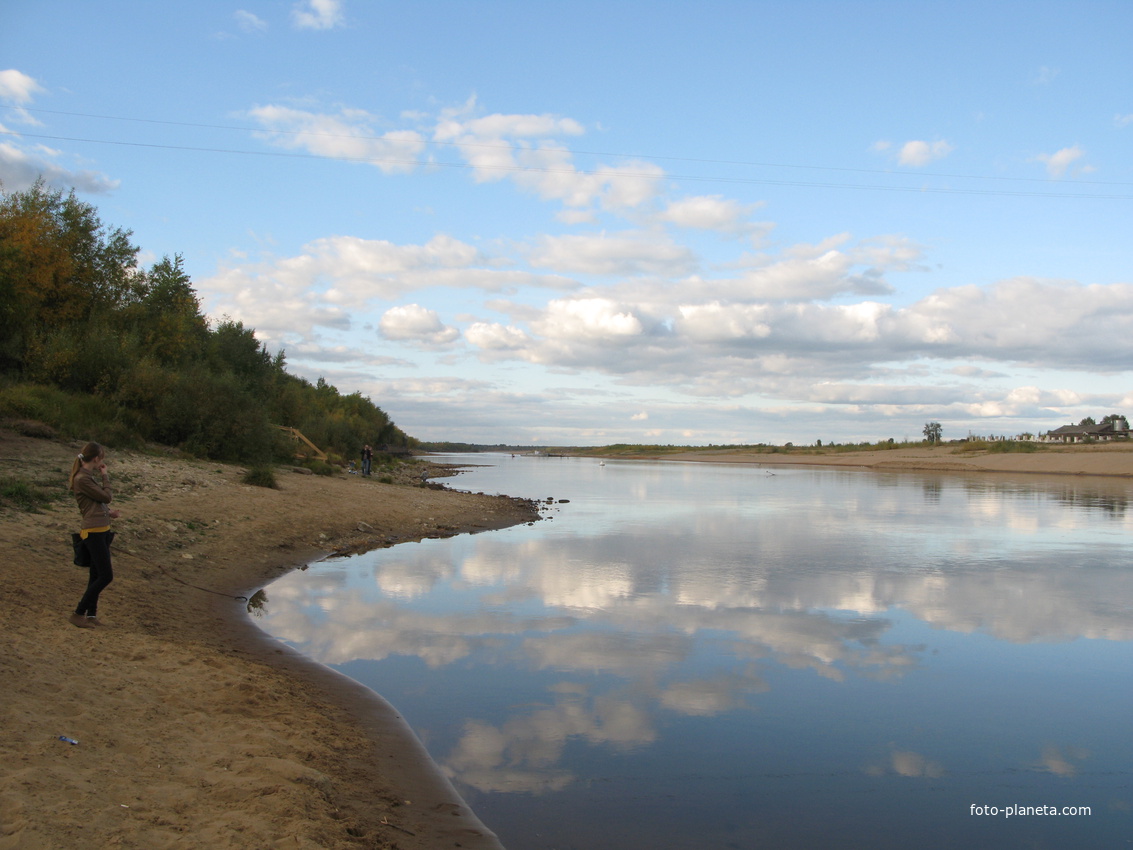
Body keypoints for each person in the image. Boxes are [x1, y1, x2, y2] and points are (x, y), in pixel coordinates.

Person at [69, 442, 121, 629]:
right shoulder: (83, 479)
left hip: (100, 529)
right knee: (106, 576)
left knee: (96, 574)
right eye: (102, 457)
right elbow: (106, 496)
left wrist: (109, 513)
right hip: (93, 532)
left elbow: (96, 503)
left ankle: (91, 615)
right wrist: (105, 475)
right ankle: (78, 613)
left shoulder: (87, 477)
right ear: (97, 458)